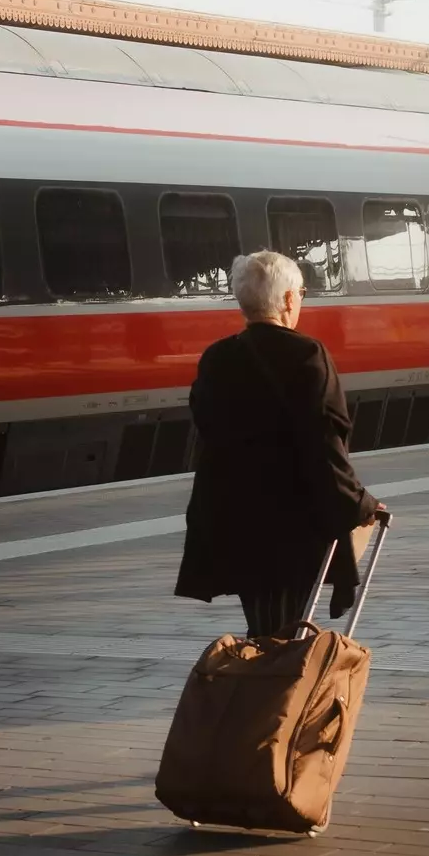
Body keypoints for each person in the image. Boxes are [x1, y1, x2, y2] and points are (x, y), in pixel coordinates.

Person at [176, 247, 384, 636]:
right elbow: (325, 446)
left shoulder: (216, 358)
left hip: (233, 519)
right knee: (283, 631)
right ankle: (273, 692)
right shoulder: (307, 354)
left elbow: (208, 433)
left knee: (266, 622)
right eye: (302, 293)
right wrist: (361, 504)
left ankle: (270, 687)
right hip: (290, 529)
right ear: (289, 299)